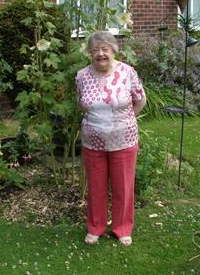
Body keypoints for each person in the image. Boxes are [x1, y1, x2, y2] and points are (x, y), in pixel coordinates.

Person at [75, 30, 146, 246]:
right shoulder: (81, 76)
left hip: (124, 139)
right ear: (90, 53)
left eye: (105, 49)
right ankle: (96, 228)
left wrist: (124, 121)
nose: (100, 54)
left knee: (123, 185)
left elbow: (140, 100)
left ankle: (122, 228)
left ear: (113, 50)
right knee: (96, 186)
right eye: (95, 50)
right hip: (93, 140)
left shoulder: (127, 72)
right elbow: (81, 103)